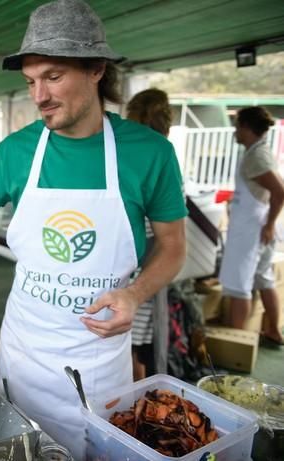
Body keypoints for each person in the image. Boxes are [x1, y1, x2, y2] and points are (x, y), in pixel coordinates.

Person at [0, 1, 186, 458]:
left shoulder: (149, 153)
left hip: (97, 366)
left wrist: (134, 295)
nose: (39, 96)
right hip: (24, 354)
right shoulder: (15, 152)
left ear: (96, 69)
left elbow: (173, 246)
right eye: (31, 82)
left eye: (53, 77)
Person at [219, 106, 284, 346]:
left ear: (246, 127)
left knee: (239, 286)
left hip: (252, 231)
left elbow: (279, 191)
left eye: (237, 126)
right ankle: (274, 331)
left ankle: (237, 342)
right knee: (262, 279)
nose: (235, 131)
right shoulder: (258, 152)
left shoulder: (256, 156)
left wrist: (268, 225)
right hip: (257, 227)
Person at [125, 88, 173, 380]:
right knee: (137, 340)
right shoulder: (164, 154)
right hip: (150, 263)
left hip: (140, 262)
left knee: (131, 342)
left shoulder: (140, 154)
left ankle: (138, 396)